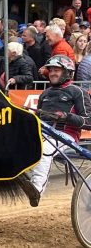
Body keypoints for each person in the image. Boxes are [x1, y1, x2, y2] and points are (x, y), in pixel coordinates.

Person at [19, 55, 91, 207]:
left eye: (56, 70)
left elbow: (88, 122)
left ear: (67, 72)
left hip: (66, 135)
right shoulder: (45, 93)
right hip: (44, 133)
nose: (52, 73)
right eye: (50, 70)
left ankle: (36, 190)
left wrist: (67, 117)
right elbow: (39, 118)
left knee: (44, 149)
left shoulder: (78, 92)